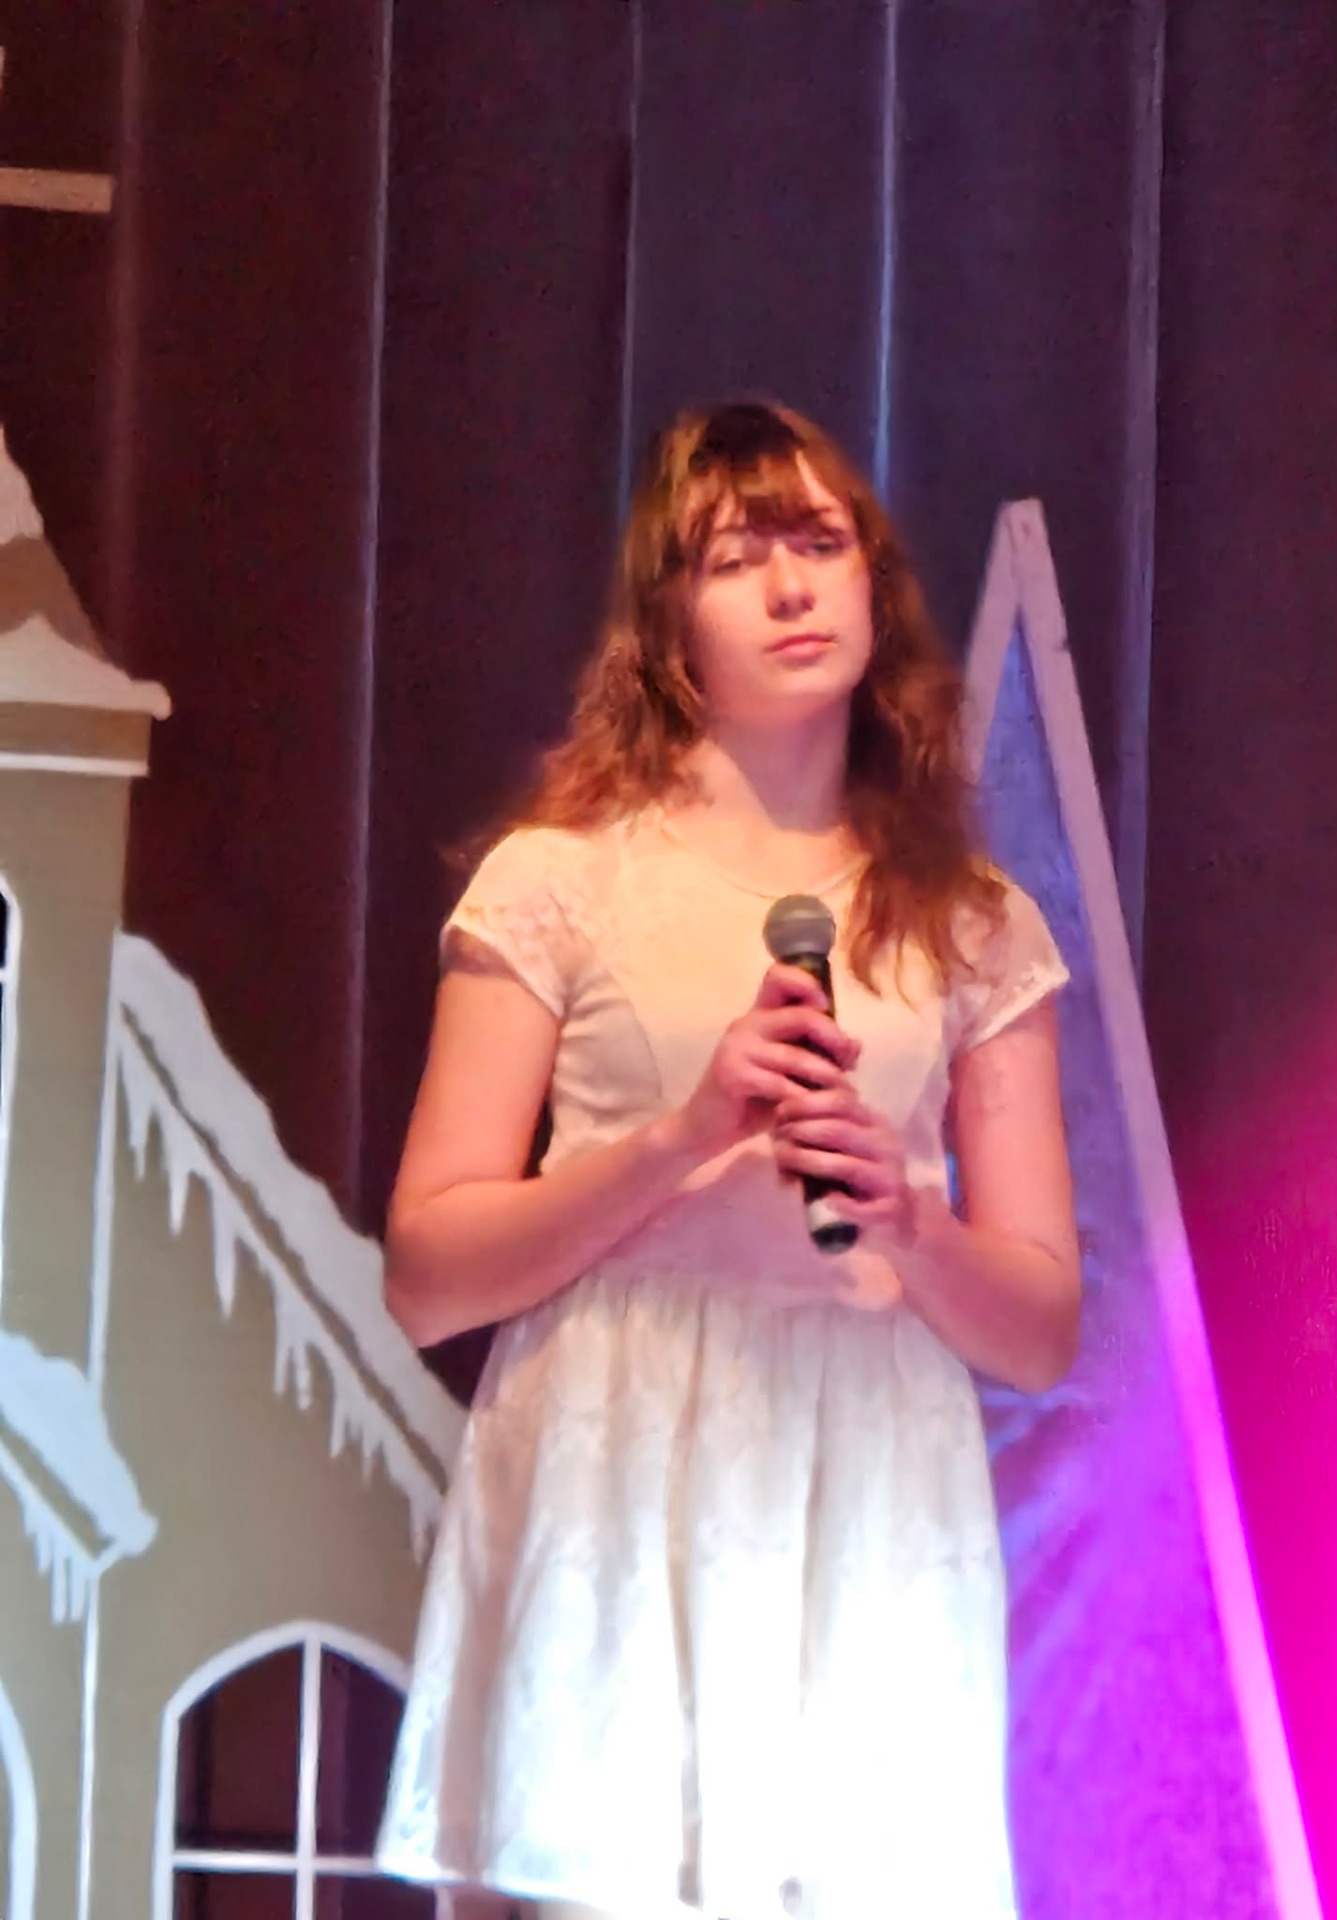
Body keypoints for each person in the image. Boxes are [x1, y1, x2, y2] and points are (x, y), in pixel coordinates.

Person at [374, 399, 1081, 1920]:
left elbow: (1039, 1329)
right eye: (735, 557)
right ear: (668, 624)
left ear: (874, 584)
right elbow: (428, 1274)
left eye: (819, 542)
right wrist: (681, 1139)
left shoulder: (971, 921)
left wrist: (908, 1218)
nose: (790, 586)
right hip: (622, 1468)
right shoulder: (560, 883)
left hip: (869, 1488)